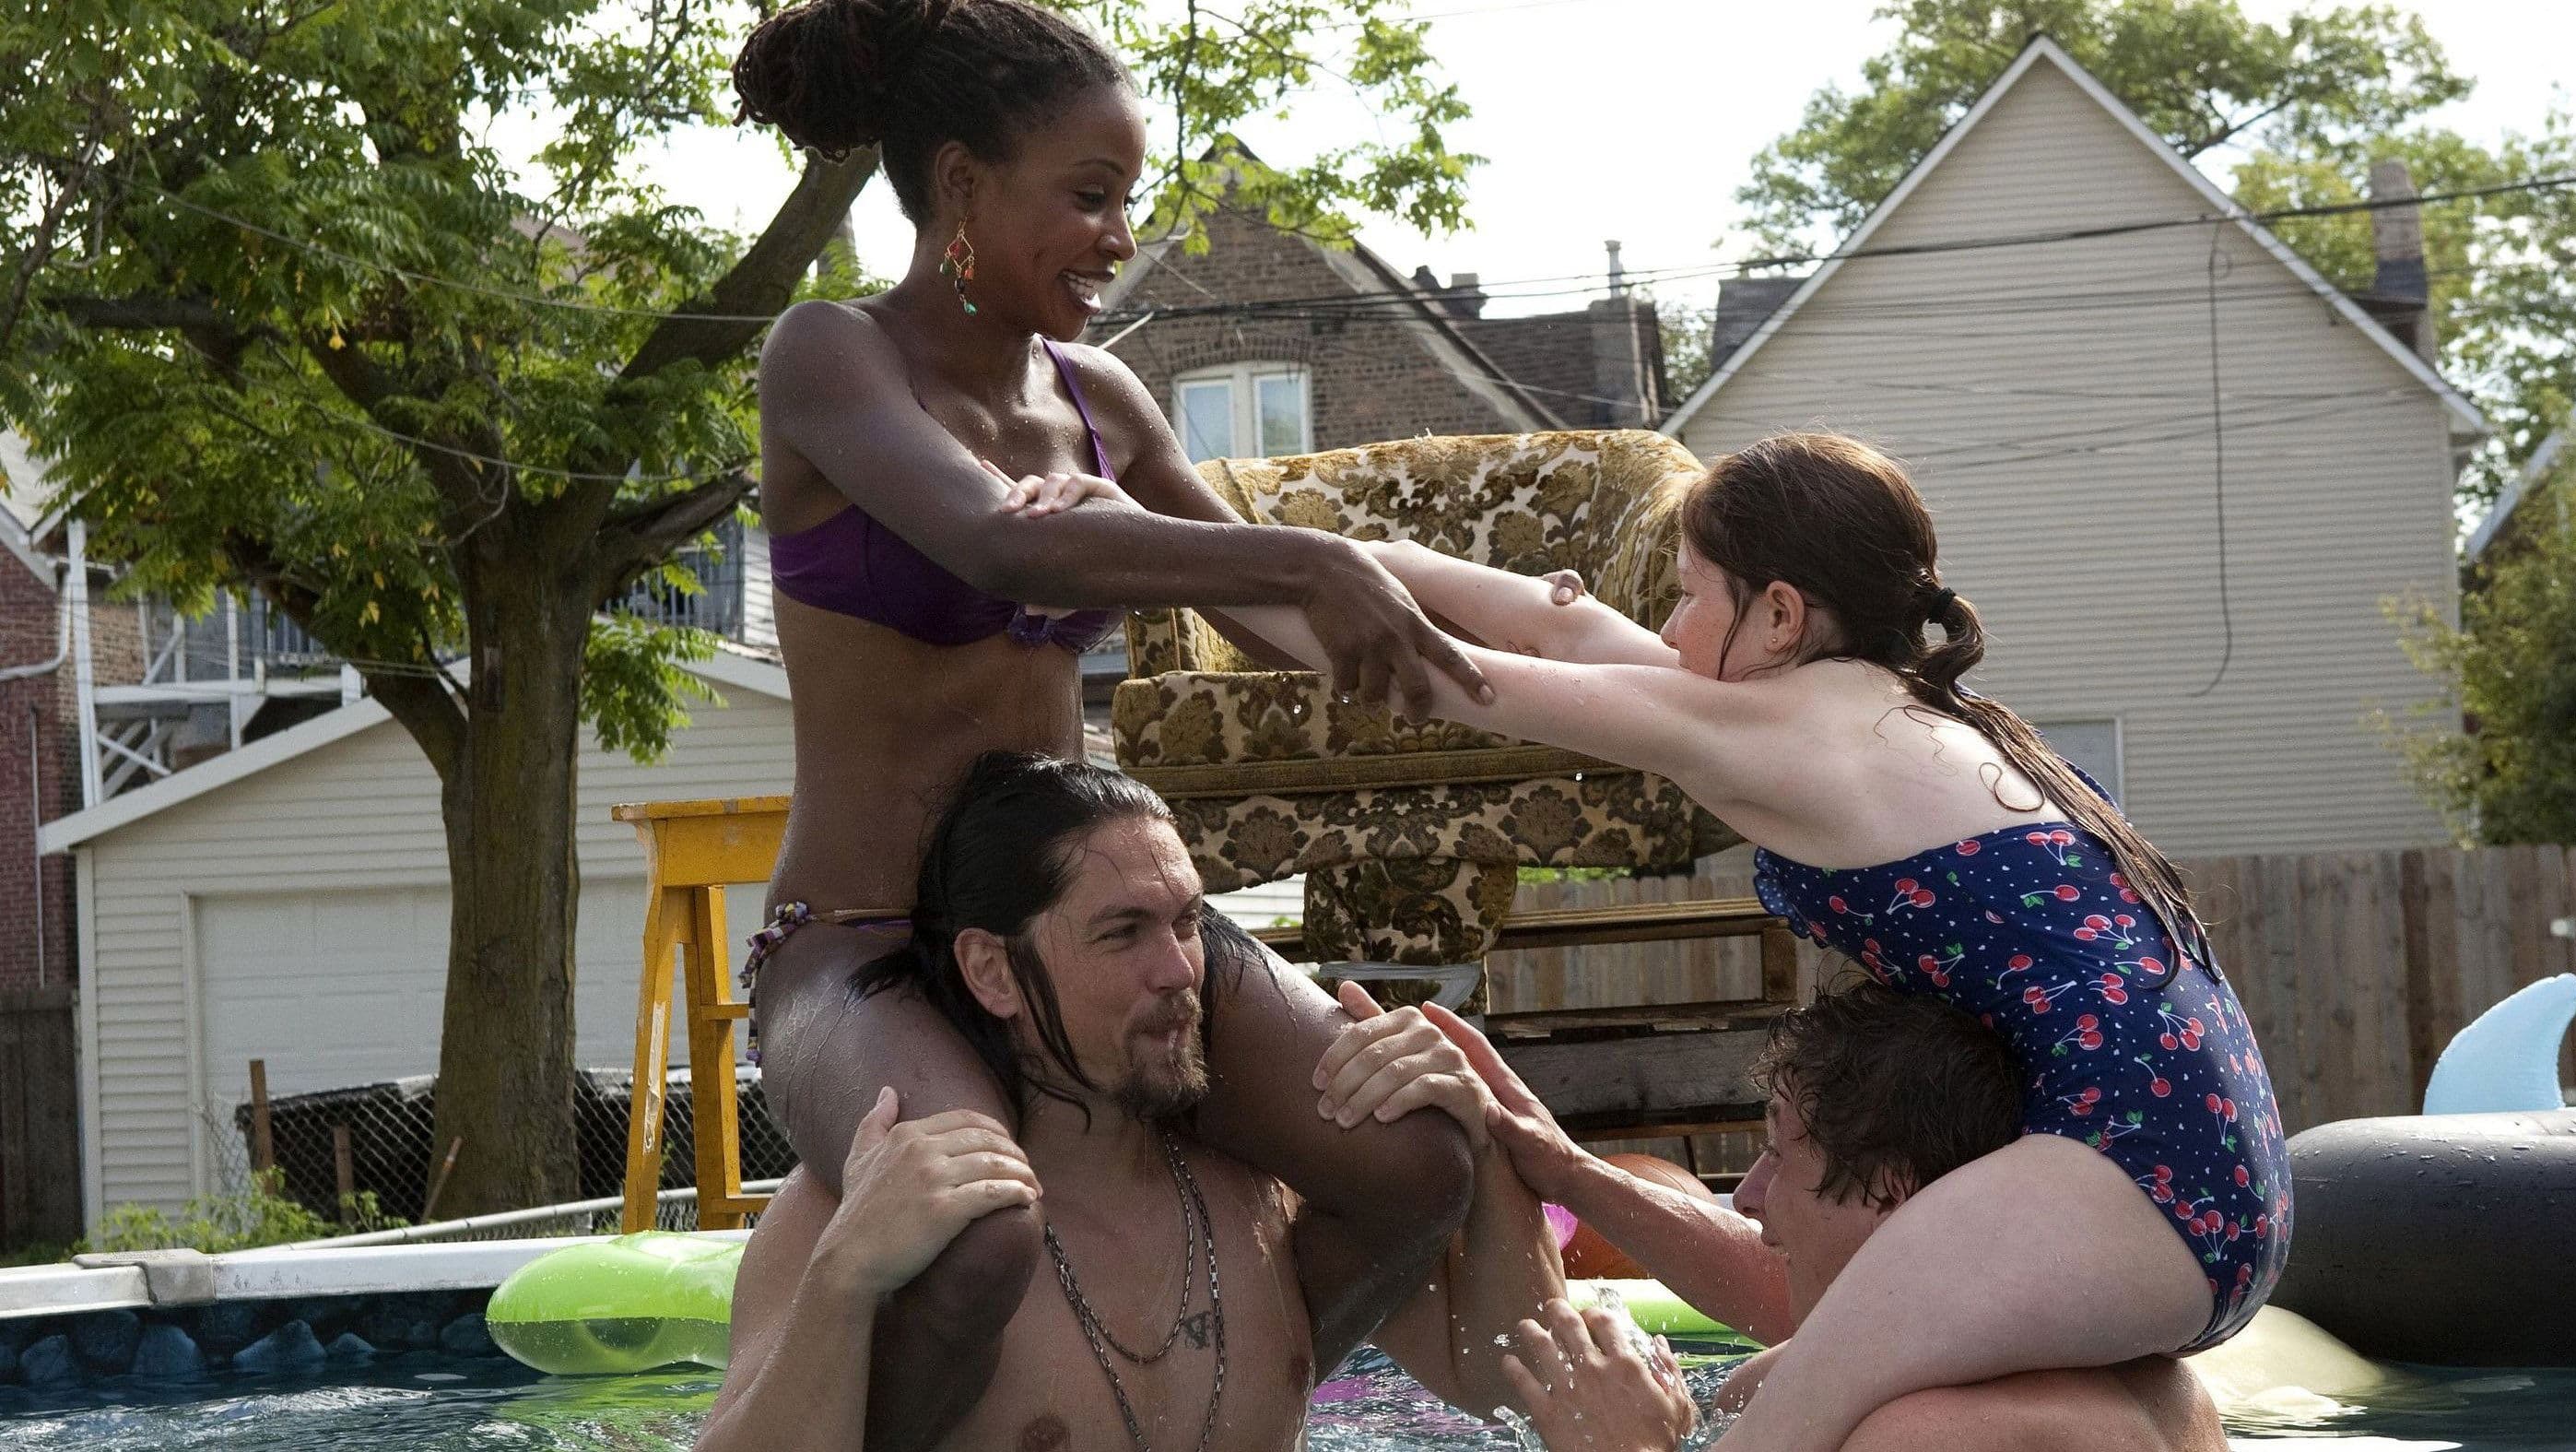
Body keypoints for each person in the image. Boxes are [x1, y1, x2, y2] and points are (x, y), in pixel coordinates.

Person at [1143, 430, 2289, 1451]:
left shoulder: (1793, 734)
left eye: (1689, 595)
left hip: (2126, 1169)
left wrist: (1150, 555)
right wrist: (1276, 547)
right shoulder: (1890, 716)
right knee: (1761, 1390)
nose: (1665, 629)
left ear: (1779, 615)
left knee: (1770, 1431)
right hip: (2209, 1167)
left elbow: (1433, 675)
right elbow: (1556, 621)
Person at [725, 3, 1498, 1444]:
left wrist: (1561, 653)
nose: (1119, 235)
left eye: (1126, 197)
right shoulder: (830, 356)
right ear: (962, 185)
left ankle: (1204, 1401)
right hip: (863, 943)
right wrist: (1310, 559)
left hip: (1087, 929)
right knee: (973, 1232)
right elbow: (1000, 543)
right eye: (1089, 195)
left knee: (1414, 1159)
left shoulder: (1105, 398)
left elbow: (1270, 612)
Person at [696, 754, 1606, 1451]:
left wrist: (1485, 1146)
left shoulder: (1266, 1192)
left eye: (1187, 922)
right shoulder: (875, 1205)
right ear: (992, 970)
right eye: (1124, 932)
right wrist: (844, 1279)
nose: (1179, 971)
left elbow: (1512, 1397)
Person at [1457, 985, 2229, 1452]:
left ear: (1891, 1195)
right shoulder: (2159, 1379)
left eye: (1777, 1155)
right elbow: (1780, 1293)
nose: (1747, 1195)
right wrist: (1566, 1171)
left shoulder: (1925, 1436)